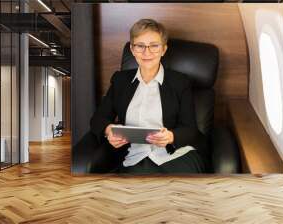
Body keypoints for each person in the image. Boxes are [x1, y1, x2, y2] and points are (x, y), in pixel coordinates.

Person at [88, 19, 207, 174]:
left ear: (164, 49)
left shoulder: (180, 82)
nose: (147, 52)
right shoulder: (120, 80)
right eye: (140, 46)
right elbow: (98, 119)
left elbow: (190, 129)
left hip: (175, 154)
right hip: (135, 157)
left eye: (154, 46)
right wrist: (108, 130)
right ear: (132, 49)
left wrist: (171, 136)